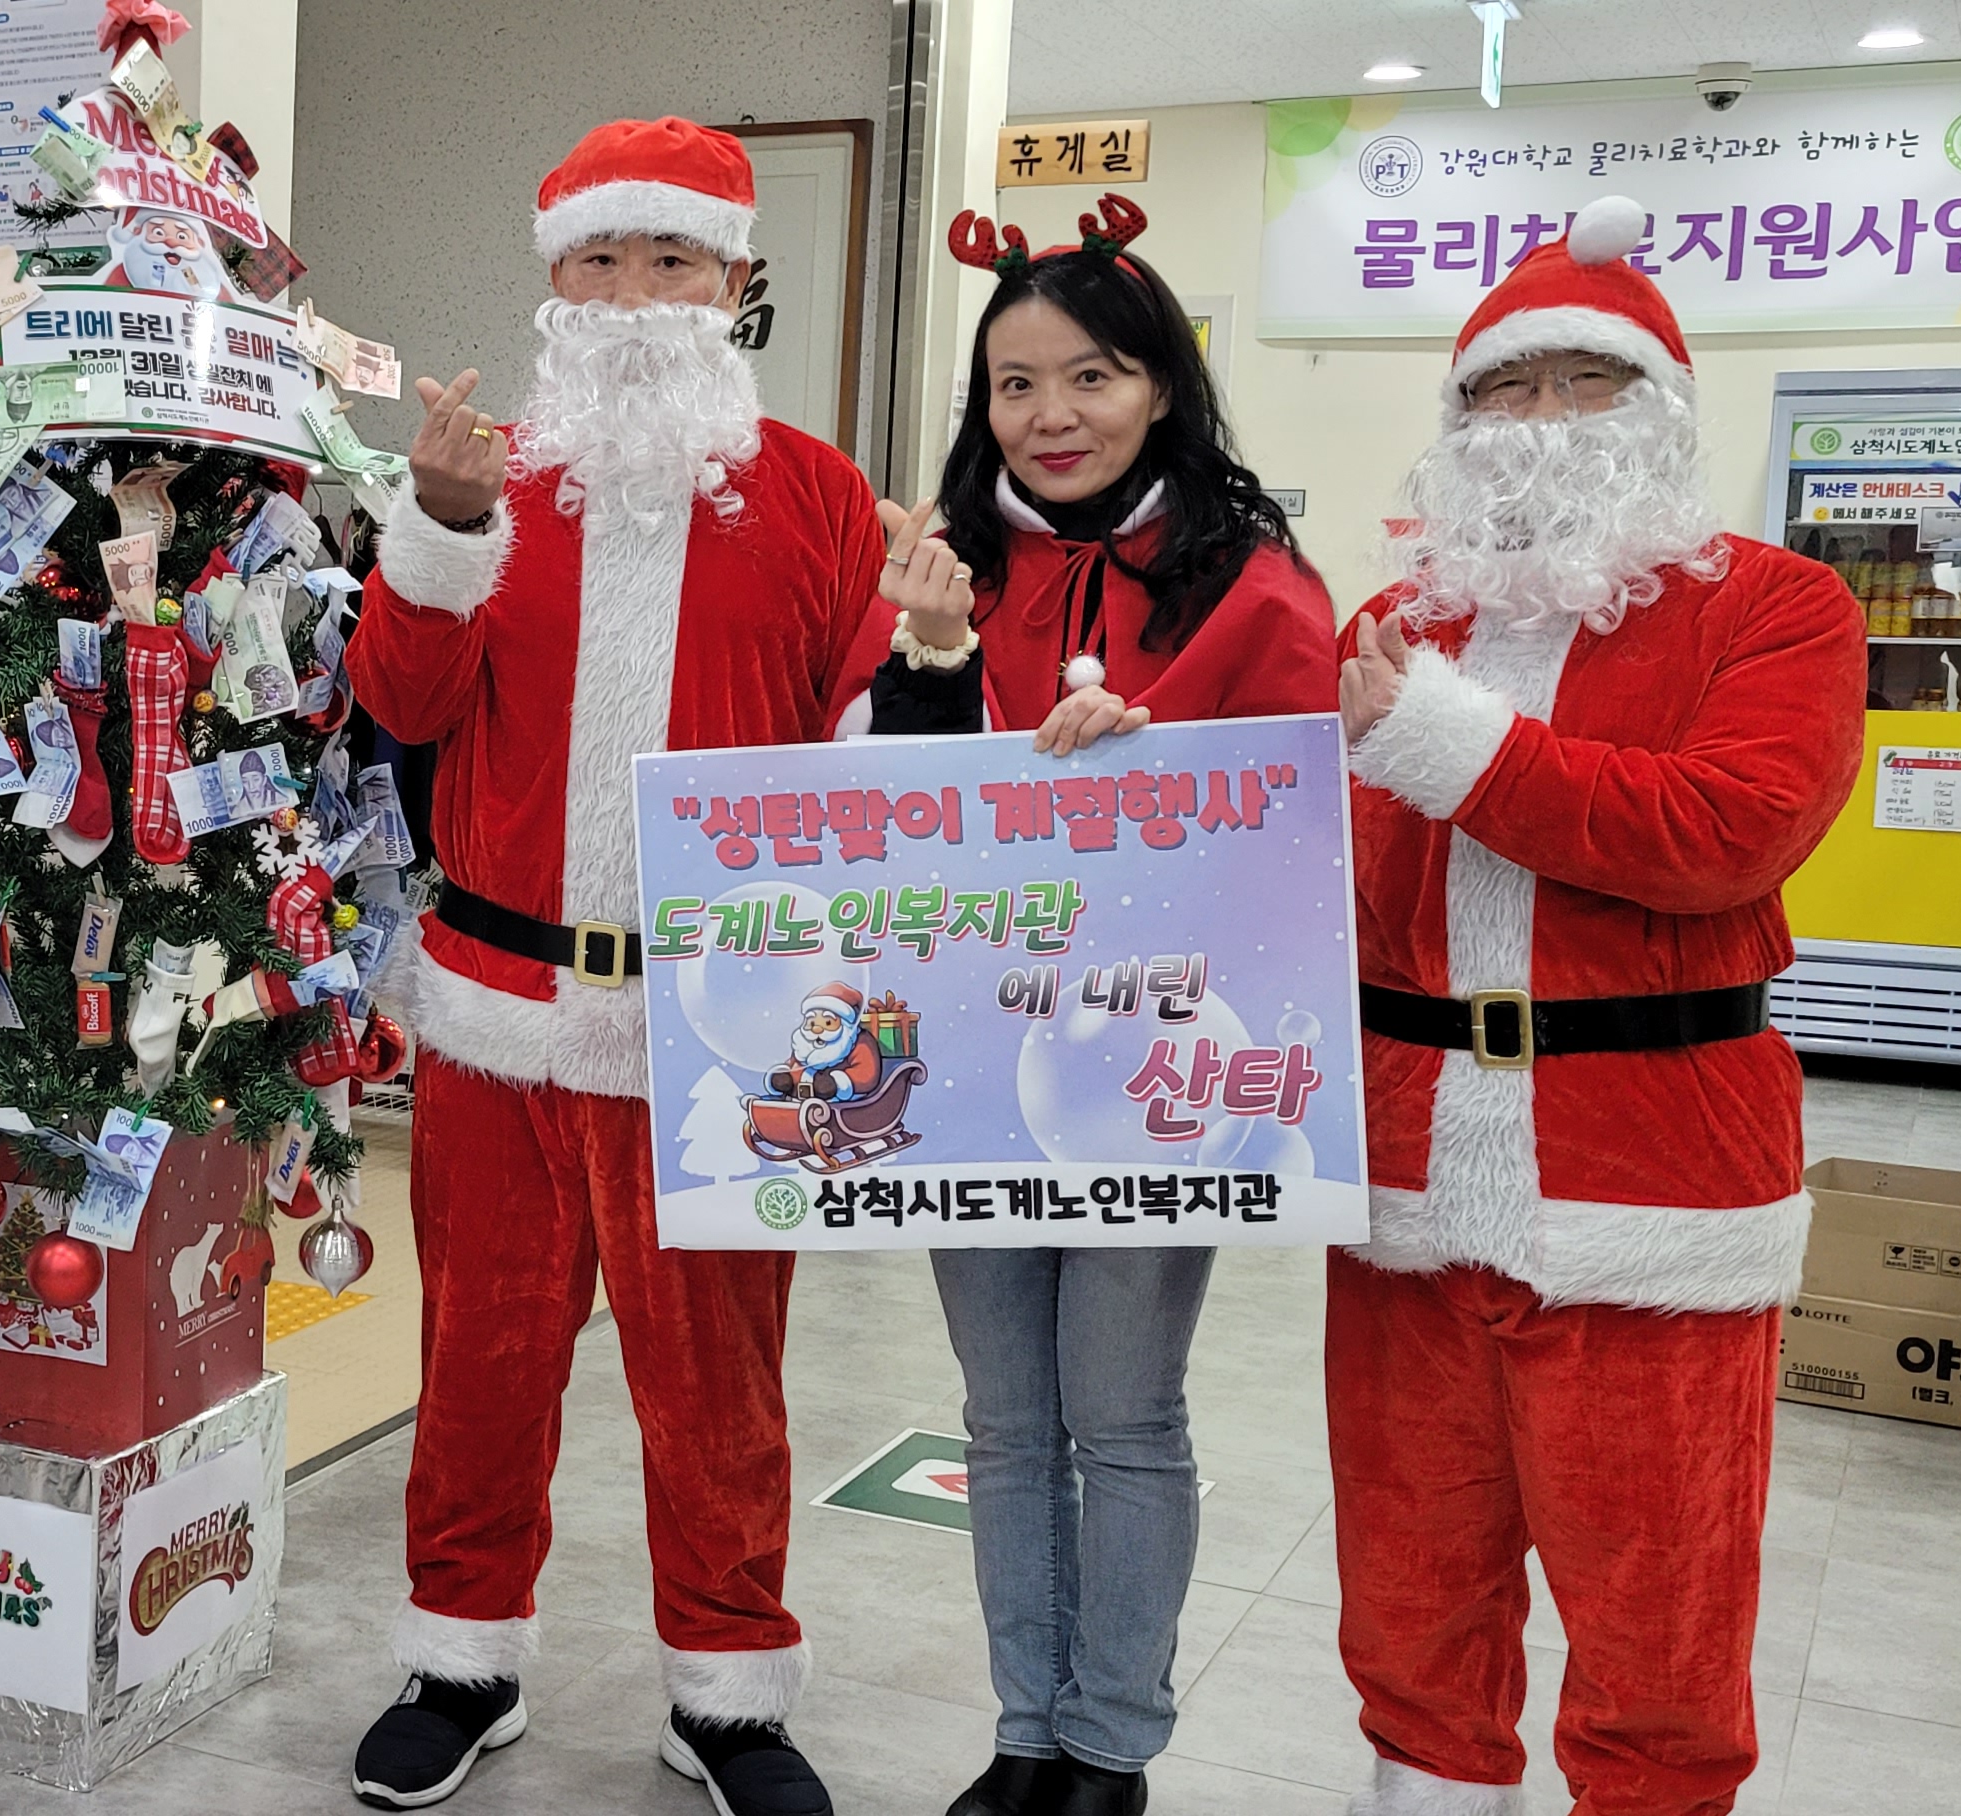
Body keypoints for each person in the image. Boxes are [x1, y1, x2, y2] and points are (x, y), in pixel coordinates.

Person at [341, 117, 898, 1816]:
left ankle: (725, 1693)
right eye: (602, 260)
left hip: (720, 1027)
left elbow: (861, 754)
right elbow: (401, 712)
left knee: (716, 1377)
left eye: (672, 261)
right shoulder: (478, 476)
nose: (637, 293)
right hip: (496, 1010)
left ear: (733, 284)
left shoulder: (816, 497)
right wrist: (430, 533)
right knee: (488, 1355)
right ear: (553, 282)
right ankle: (462, 1655)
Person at [1325, 197, 1861, 1816]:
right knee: (1409, 1585)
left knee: (1657, 1622)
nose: (1540, 419)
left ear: (1662, 411)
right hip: (1409, 1170)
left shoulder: (1776, 609)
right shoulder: (1392, 631)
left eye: (1584, 380)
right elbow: (1311, 892)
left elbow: (1721, 833)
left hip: (1655, 1180)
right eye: (1503, 389)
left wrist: (1446, 743)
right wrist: (1129, 776)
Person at [869, 203, 1337, 1816]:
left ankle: (1111, 1746)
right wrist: (928, 659)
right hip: (974, 1056)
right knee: (1004, 1421)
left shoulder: (1253, 583)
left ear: (1161, 389)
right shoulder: (952, 566)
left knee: (1121, 1414)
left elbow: (1303, 832)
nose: (1049, 414)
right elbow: (887, 838)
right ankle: (1021, 1732)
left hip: (1160, 1061)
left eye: (1090, 376)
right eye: (1012, 384)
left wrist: (1161, 773)